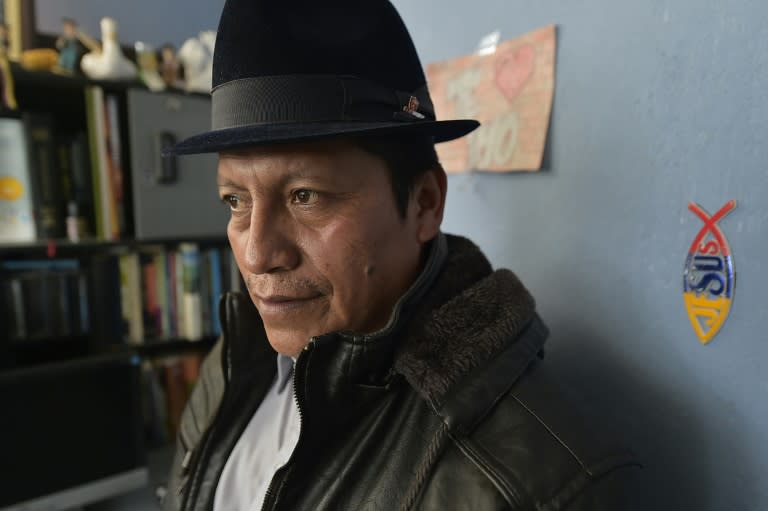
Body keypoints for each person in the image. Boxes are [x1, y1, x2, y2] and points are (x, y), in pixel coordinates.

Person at [163, 0, 640, 509]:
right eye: (236, 201)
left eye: (306, 196)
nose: (258, 255)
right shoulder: (240, 356)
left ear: (424, 204)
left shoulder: (531, 486)